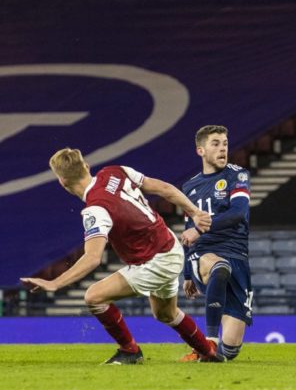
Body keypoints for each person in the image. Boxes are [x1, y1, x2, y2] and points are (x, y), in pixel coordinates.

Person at [20, 148, 221, 364]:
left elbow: (93, 258)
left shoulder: (95, 210)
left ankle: (129, 351)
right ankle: (207, 352)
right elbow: (163, 188)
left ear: (62, 182)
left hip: (156, 261)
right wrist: (194, 212)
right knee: (165, 314)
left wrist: (55, 283)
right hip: (169, 247)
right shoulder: (115, 172)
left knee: (94, 297)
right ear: (86, 166)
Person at [178, 125, 252, 362]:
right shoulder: (189, 187)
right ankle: (208, 341)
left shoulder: (237, 175)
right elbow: (187, 232)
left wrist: (199, 228)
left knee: (230, 352)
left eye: (225, 144)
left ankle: (211, 351)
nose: (223, 149)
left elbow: (238, 213)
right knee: (219, 267)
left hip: (237, 255)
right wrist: (187, 273)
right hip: (205, 253)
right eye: (216, 144)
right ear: (201, 150)